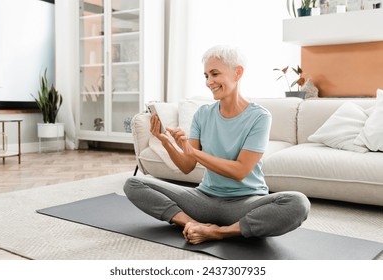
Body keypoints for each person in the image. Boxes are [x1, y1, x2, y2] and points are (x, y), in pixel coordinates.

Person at [124, 45, 310, 245]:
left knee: (298, 203)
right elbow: (186, 167)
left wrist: (192, 151)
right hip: (203, 199)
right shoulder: (203, 114)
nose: (209, 82)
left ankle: (220, 232)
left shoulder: (259, 117)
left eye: (214, 74)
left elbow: (240, 171)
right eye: (206, 76)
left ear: (237, 72)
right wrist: (167, 143)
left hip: (245, 202)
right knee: (133, 184)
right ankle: (193, 224)